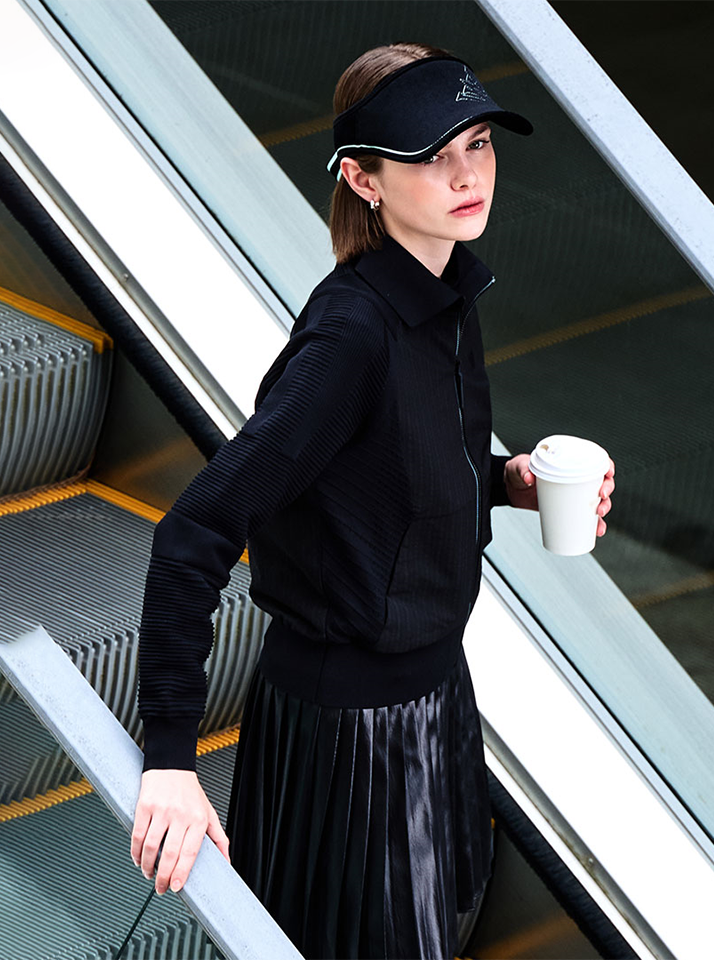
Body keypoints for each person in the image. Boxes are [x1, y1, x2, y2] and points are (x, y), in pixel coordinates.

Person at [131, 42, 615, 960]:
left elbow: (390, 475)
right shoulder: (351, 337)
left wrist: (507, 481)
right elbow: (194, 532)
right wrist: (169, 759)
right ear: (363, 180)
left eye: (478, 144)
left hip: (434, 692)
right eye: (432, 156)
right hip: (348, 730)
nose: (467, 176)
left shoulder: (447, 292)